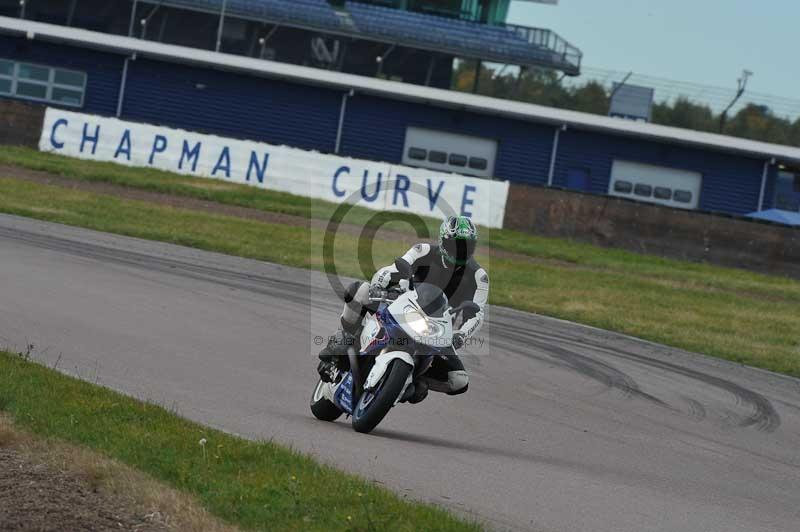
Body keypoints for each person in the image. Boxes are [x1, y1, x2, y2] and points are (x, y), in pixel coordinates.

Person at [318, 215, 489, 402]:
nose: (460, 251)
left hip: (437, 329)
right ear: (443, 241)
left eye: (466, 246)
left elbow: (477, 314)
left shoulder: (479, 277)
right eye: (455, 245)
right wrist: (382, 281)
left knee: (459, 380)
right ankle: (342, 338)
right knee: (361, 290)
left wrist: (461, 334)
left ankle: (417, 380)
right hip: (400, 306)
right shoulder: (423, 251)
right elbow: (395, 267)